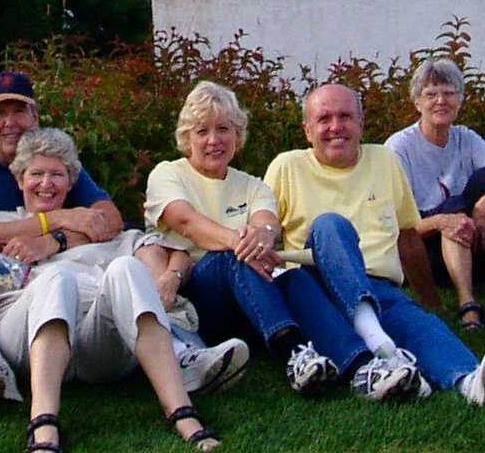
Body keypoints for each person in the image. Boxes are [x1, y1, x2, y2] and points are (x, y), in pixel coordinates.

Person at [0, 71, 242, 403]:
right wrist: (55, 220)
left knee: (130, 257)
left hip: (83, 288)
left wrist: (55, 240)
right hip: (12, 273)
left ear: (35, 117)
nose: (10, 122)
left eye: (19, 111)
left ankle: (181, 350)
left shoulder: (54, 156)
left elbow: (111, 220)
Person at [264, 83, 485, 407]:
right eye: (324, 119)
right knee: (331, 225)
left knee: (419, 324)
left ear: (361, 123)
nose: (336, 126)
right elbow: (264, 231)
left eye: (345, 117)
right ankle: (381, 346)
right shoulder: (287, 167)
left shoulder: (384, 160)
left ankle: (472, 381)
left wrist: (430, 303)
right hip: (317, 290)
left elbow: (407, 236)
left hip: (379, 287)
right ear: (307, 130)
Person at [0, 128, 222, 453]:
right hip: (26, 335)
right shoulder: (3, 224)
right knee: (57, 278)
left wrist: (170, 278)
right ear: (20, 179)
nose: (46, 183)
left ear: (70, 182)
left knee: (126, 267)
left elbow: (172, 252)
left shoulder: (97, 229)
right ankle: (43, 422)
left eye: (57, 175)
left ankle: (181, 410)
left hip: (99, 343)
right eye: (36, 174)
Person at [144, 81, 363, 396]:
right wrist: (241, 241)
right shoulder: (168, 174)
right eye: (202, 131)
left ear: (237, 135)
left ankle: (358, 362)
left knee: (296, 278)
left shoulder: (253, 186)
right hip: (195, 301)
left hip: (250, 298)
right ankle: (294, 353)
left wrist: (261, 236)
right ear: (187, 138)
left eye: (223, 129)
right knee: (231, 256)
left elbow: (267, 225)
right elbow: (186, 222)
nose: (214, 140)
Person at [385, 57, 485, 331]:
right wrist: (442, 222)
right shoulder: (399, 147)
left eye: (449, 93)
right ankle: (467, 302)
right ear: (417, 102)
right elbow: (394, 226)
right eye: (431, 95)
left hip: (467, 236)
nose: (441, 101)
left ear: (460, 101)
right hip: (421, 247)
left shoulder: (466, 137)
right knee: (453, 208)